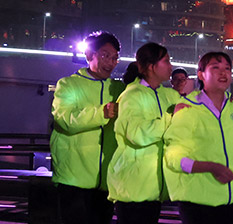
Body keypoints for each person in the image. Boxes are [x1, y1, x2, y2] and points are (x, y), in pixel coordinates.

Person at [163, 52, 233, 224]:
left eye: (227, 68)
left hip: (230, 200)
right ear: (201, 74)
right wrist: (209, 167)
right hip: (197, 202)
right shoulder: (188, 109)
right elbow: (173, 157)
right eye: (215, 68)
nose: (223, 72)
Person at [50, 31, 125, 224]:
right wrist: (101, 113)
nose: (111, 62)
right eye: (105, 55)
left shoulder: (119, 89)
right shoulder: (68, 84)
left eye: (115, 57)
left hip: (106, 180)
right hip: (73, 178)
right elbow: (65, 120)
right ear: (90, 55)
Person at [108, 43, 181, 223]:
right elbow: (136, 134)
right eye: (166, 61)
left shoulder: (170, 96)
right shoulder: (131, 96)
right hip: (134, 185)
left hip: (156, 186)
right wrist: (171, 119)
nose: (170, 66)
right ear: (151, 66)